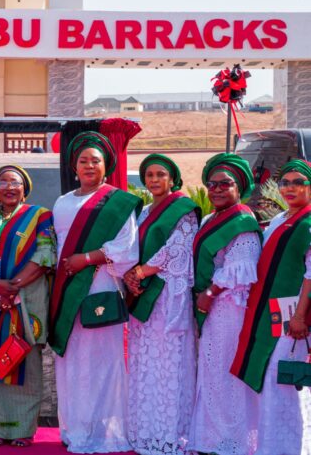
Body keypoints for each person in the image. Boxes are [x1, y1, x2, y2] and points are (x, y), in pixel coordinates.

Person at [49, 131, 141, 453]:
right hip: (65, 290)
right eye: (83, 161)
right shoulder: (62, 202)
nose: (89, 166)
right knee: (72, 360)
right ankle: (76, 428)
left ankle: (102, 432)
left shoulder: (118, 202)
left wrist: (85, 259)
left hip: (99, 285)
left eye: (96, 161)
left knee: (102, 361)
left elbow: (127, 250)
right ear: (75, 166)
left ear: (107, 166)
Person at [0, 164, 55, 448]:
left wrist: (13, 285)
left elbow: (46, 254)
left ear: (24, 188)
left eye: (14, 182)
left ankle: (23, 429)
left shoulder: (40, 216)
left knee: (25, 361)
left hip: (27, 299)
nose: (9, 187)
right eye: (3, 182)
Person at [231, 159, 311, 455]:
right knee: (271, 383)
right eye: (285, 182)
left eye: (298, 182)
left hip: (293, 320)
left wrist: (301, 316)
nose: (290, 188)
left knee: (284, 386)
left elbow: (310, 275)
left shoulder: (308, 223)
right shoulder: (281, 219)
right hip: (272, 315)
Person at [123, 154, 200, 455]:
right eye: (149, 175)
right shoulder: (144, 211)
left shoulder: (183, 209)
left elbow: (178, 248)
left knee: (169, 362)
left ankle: (170, 433)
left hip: (168, 296)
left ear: (172, 178)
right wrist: (131, 275)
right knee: (146, 362)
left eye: (160, 174)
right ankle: (147, 430)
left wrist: (140, 272)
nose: (154, 180)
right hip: (144, 294)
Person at [187, 153, 262, 455]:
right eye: (211, 183)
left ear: (239, 186)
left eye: (225, 184)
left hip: (231, 309)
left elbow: (243, 268)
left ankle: (233, 442)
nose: (216, 189)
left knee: (227, 374)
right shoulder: (210, 219)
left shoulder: (243, 220)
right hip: (211, 310)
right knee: (212, 373)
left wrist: (210, 292)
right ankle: (212, 439)